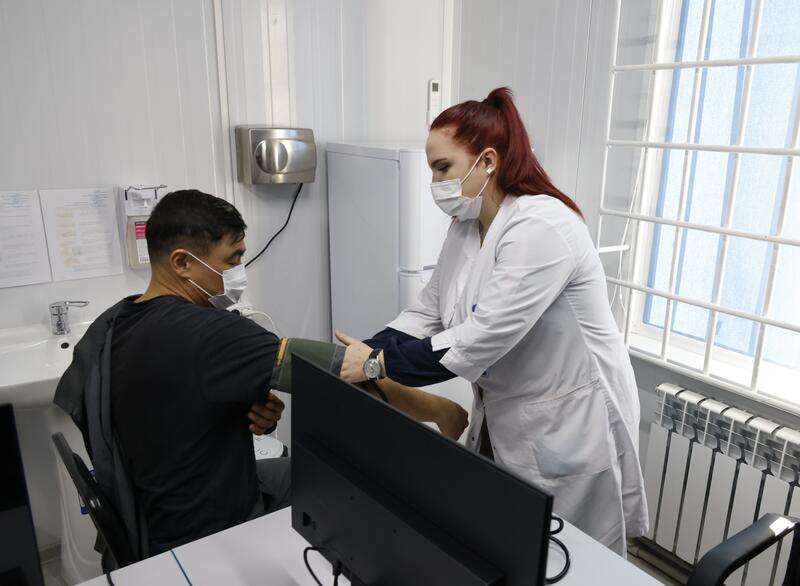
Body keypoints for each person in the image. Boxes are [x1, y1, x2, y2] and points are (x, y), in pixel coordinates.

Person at [55, 189, 468, 559]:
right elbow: (348, 373)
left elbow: (167, 401)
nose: (240, 271)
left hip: (153, 508)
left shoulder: (118, 321)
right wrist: (441, 409)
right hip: (204, 525)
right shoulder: (212, 334)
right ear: (182, 263)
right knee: (358, 482)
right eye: (231, 260)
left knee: (304, 468)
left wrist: (236, 410)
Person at [335, 87, 648, 555]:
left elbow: (481, 337)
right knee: (507, 538)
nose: (435, 182)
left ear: (486, 161)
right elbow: (428, 310)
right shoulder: (466, 228)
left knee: (573, 556)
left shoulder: (542, 226)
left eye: (443, 167)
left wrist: (376, 363)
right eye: (431, 169)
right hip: (510, 408)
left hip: (568, 417)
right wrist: (365, 347)